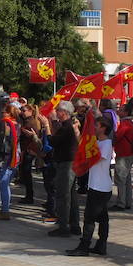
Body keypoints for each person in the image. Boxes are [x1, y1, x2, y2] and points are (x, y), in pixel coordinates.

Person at [67, 117, 114, 257]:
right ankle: (101, 245)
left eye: (97, 125)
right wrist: (77, 131)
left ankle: (84, 246)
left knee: (89, 217)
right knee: (102, 217)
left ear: (103, 128)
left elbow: (95, 158)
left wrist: (84, 156)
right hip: (96, 185)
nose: (94, 127)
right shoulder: (98, 142)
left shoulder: (106, 144)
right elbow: (85, 147)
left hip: (100, 187)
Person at [48, 101, 80, 237]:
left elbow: (54, 141)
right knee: (71, 195)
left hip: (66, 163)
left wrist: (47, 128)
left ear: (64, 113)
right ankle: (74, 225)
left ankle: (64, 226)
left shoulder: (67, 127)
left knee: (63, 195)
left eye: (58, 110)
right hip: (68, 162)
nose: (56, 112)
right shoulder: (66, 126)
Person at [0, 104, 21, 220]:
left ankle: (5, 211)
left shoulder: (4, 124)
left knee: (3, 184)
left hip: (4, 157)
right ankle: (5, 208)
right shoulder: (17, 124)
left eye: (4, 112)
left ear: (9, 113)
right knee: (6, 184)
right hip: (14, 156)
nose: (2, 114)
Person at [111, 103, 133, 211]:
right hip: (128, 153)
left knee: (121, 179)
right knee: (127, 179)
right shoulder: (130, 122)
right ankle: (127, 202)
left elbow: (117, 136)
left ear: (126, 112)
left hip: (123, 154)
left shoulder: (125, 123)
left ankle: (121, 203)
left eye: (121, 110)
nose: (118, 111)